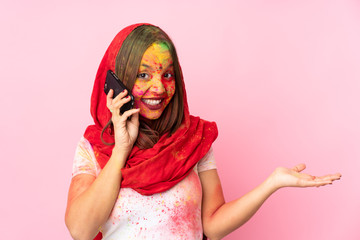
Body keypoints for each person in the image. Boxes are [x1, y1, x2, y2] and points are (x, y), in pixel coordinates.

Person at [65, 23, 341, 240]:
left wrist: (271, 183)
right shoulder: (93, 148)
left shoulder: (194, 140)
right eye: (144, 75)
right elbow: (81, 231)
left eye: (168, 75)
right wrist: (122, 150)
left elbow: (214, 226)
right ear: (120, 80)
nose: (159, 88)